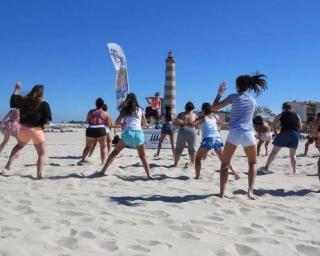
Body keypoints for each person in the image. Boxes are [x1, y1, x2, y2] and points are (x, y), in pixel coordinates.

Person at [213, 73, 268, 199]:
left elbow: (214, 108)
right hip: (248, 134)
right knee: (253, 163)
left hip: (234, 133)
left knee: (225, 164)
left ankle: (222, 192)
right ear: (249, 87)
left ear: (237, 86)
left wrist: (219, 93)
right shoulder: (253, 101)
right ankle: (250, 191)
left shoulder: (233, 97)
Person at [5, 83, 52, 178]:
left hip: (23, 129)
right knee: (42, 154)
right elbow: (48, 121)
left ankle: (9, 164)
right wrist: (45, 125)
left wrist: (17, 89)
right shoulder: (44, 104)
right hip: (36, 131)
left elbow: (13, 100)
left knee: (19, 146)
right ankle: (38, 175)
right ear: (42, 94)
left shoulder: (24, 101)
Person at [100, 93, 151, 178]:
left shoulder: (125, 110)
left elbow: (116, 122)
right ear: (136, 100)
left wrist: (123, 124)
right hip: (138, 133)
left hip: (128, 133)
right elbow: (145, 124)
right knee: (142, 156)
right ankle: (149, 175)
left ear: (127, 100)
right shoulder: (141, 110)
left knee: (115, 153)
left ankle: (103, 170)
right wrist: (138, 126)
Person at [194, 103, 240, 180]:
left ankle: (197, 176)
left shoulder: (203, 118)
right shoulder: (215, 116)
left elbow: (193, 125)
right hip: (217, 138)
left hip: (208, 139)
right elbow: (223, 124)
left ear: (203, 109)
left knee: (197, 158)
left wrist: (182, 123)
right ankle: (234, 173)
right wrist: (231, 124)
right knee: (224, 160)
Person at [263, 102, 302, 175]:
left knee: (274, 152)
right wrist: (296, 133)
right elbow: (300, 127)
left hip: (284, 133)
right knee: (293, 155)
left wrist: (276, 133)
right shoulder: (297, 115)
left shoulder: (280, 115)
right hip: (295, 135)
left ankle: (266, 167)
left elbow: (273, 125)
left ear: (283, 108)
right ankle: (294, 171)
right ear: (291, 108)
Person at [78, 98, 109, 166]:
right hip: (100, 130)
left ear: (96, 104)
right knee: (103, 147)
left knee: (88, 146)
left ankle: (82, 160)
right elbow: (108, 124)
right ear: (103, 105)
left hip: (91, 129)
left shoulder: (90, 112)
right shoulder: (105, 113)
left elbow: (86, 121)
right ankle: (103, 162)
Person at [173, 101, 198, 167]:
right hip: (192, 131)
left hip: (182, 130)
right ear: (192, 108)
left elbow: (175, 124)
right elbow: (197, 126)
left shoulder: (181, 114)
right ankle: (193, 163)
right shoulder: (195, 115)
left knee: (179, 148)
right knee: (191, 148)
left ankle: (175, 164)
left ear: (185, 107)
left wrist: (179, 124)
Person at [0, 83, 21, 155]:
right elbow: (19, 120)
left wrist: (1, 124)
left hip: (8, 125)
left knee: (5, 141)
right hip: (15, 127)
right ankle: (16, 154)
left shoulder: (12, 110)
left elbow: (4, 118)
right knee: (20, 143)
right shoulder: (19, 111)